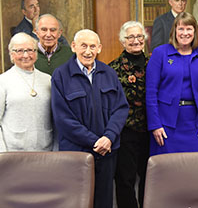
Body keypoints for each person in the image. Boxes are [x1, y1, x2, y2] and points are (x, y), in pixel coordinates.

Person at [51, 29, 129, 208]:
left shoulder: (109, 73)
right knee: (76, 201)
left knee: (104, 202)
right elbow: (63, 118)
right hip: (76, 153)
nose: (88, 51)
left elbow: (121, 108)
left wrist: (108, 137)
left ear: (99, 48)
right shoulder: (60, 76)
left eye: (92, 46)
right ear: (73, 47)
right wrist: (95, 141)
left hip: (107, 152)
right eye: (83, 46)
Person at [146, 12, 198, 155]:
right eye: (181, 29)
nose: (185, 33)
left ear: (195, 31)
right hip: (166, 125)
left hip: (197, 123)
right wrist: (155, 125)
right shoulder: (160, 53)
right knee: (167, 170)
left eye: (189, 29)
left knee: (196, 169)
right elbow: (151, 92)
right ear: (174, 31)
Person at [109, 21, 150, 208]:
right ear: (122, 41)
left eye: (139, 36)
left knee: (150, 176)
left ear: (145, 39)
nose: (136, 41)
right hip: (125, 131)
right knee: (125, 178)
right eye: (130, 37)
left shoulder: (154, 64)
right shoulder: (112, 69)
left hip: (152, 130)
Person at [0, 33, 52, 152]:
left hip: (45, 151)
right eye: (19, 51)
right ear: (11, 54)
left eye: (30, 50)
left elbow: (55, 118)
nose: (26, 55)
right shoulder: (3, 81)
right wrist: (2, 153)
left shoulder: (47, 80)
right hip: (13, 153)